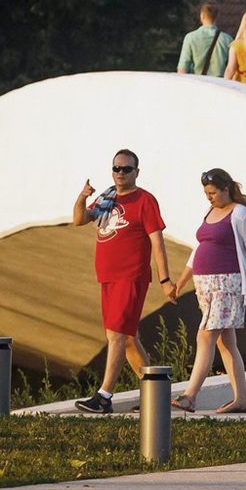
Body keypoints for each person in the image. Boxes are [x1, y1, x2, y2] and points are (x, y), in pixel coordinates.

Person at [72, 150, 174, 414]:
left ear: (137, 172)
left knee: (117, 335)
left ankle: (104, 396)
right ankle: (156, 392)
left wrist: (165, 279)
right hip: (107, 278)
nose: (120, 173)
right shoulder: (107, 197)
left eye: (126, 169)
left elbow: (157, 243)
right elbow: (79, 219)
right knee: (127, 338)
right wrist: (83, 197)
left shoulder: (145, 201)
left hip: (131, 277)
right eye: (116, 168)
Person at [169, 168, 246, 415]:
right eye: (206, 193)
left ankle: (190, 396)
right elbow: (199, 249)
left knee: (205, 336)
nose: (209, 197)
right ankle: (241, 399)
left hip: (227, 283)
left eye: (212, 193)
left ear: (225, 189)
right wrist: (181, 281)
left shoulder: (240, 214)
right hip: (205, 285)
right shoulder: (210, 212)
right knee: (226, 342)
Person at [175, 1, 232, 78]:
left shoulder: (190, 37)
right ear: (217, 17)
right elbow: (231, 68)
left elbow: (182, 68)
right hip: (219, 85)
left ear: (202, 16)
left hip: (198, 83)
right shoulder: (227, 39)